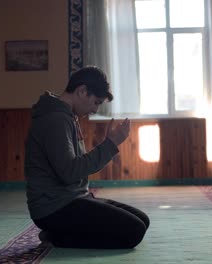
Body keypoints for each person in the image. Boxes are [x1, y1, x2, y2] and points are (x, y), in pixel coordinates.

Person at [24, 66, 149, 249]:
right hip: (54, 208)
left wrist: (109, 143)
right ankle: (57, 238)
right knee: (134, 232)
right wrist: (111, 144)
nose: (95, 108)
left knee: (142, 220)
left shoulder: (67, 116)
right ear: (82, 91)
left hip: (73, 199)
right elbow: (70, 172)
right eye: (96, 102)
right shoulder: (56, 119)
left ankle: (60, 232)